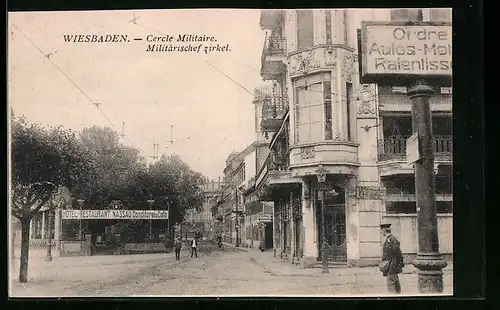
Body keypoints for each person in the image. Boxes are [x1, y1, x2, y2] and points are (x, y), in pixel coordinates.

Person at [379, 223, 405, 294]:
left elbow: (398, 254)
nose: (381, 232)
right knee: (396, 287)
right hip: (391, 267)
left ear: (384, 231)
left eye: (381, 231)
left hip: (392, 267)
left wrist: (397, 265)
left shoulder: (392, 240)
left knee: (390, 285)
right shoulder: (389, 240)